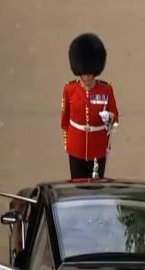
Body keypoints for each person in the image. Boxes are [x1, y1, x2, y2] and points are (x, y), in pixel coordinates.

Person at [61, 33, 119, 179]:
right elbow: (65, 119)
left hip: (97, 146)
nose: (86, 78)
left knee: (96, 188)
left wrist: (109, 118)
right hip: (76, 145)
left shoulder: (106, 89)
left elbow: (115, 115)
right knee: (77, 186)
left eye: (89, 74)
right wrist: (68, 142)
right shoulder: (70, 89)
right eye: (83, 74)